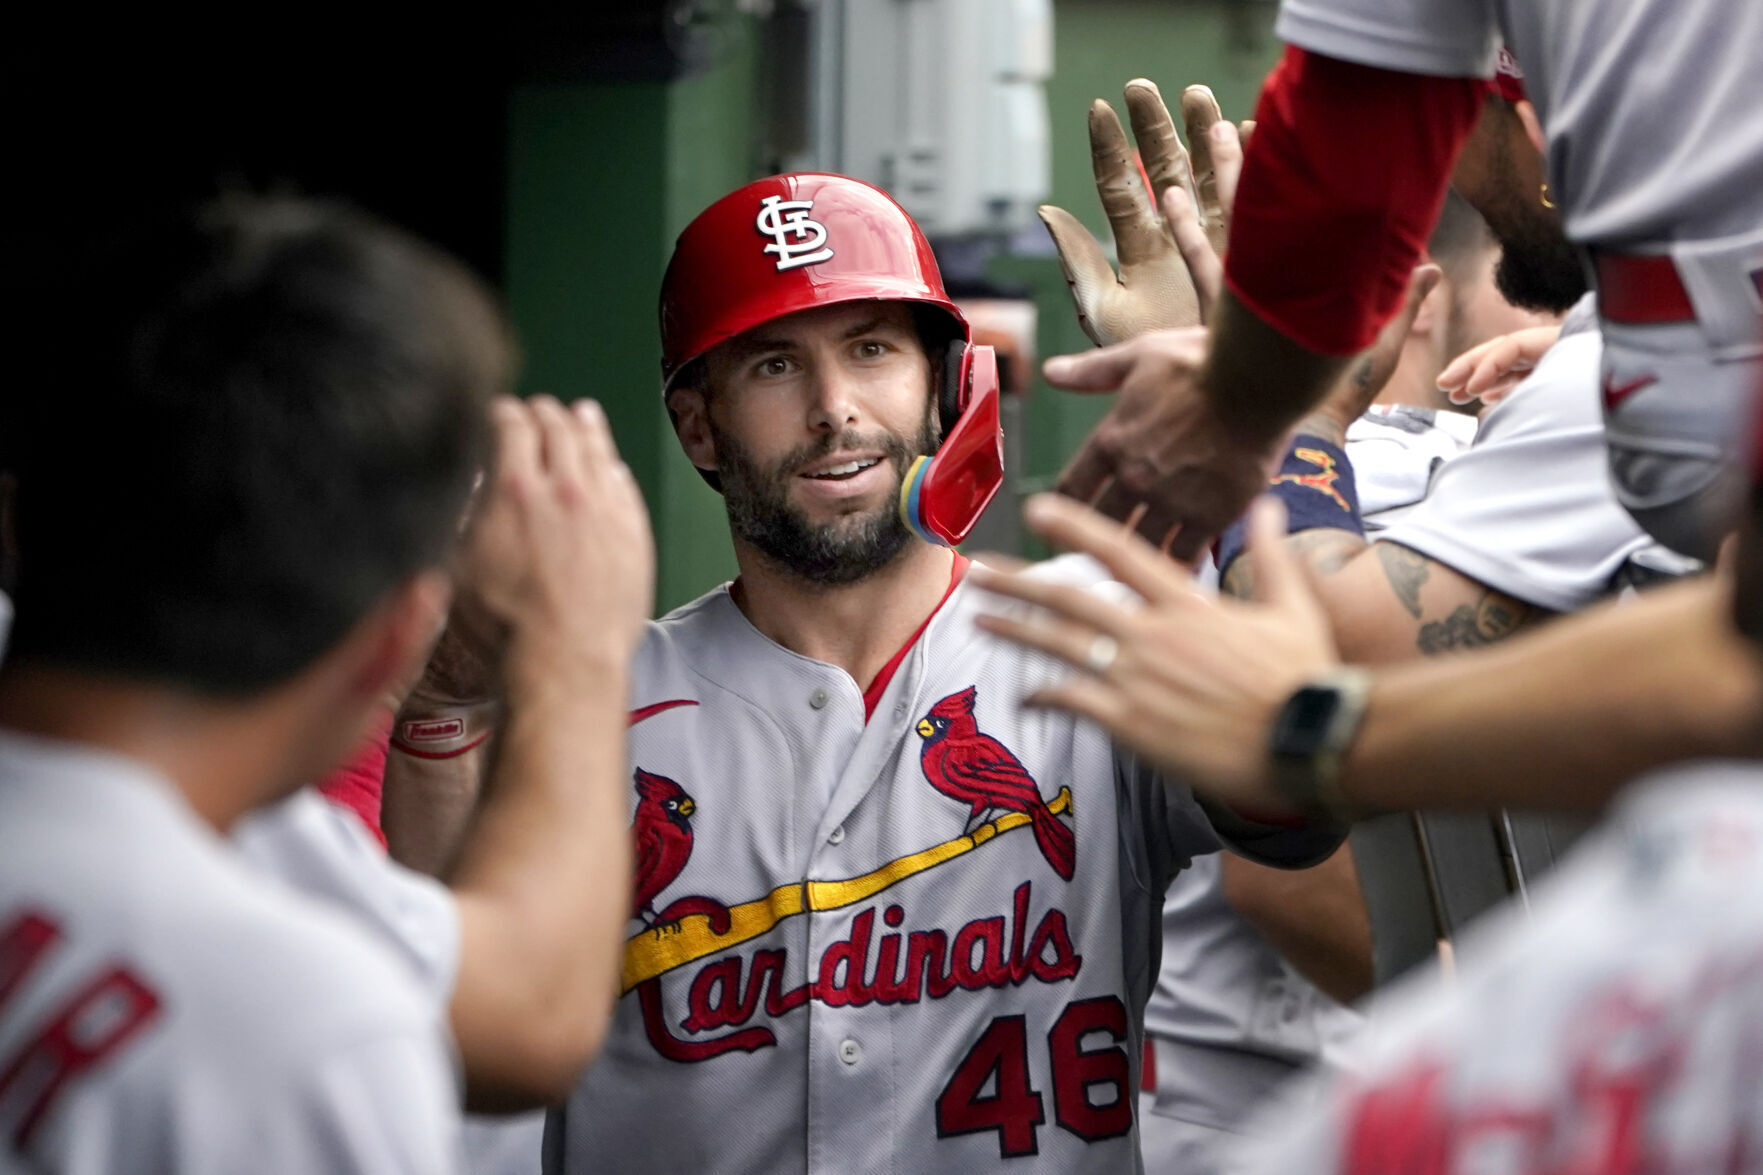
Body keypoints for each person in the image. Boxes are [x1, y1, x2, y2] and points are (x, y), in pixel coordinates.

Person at [372, 171, 1343, 1175]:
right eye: (773, 366)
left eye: (871, 348)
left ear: (944, 384)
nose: (834, 409)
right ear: (698, 427)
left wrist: (1257, 417)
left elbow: (1294, 795)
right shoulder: (597, 701)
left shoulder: (1090, 639)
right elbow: (447, 1011)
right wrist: (441, 710)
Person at [0, 195, 497, 1173]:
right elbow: (527, 1013)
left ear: (18, 523)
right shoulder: (304, 1022)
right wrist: (579, 644)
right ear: (395, 636)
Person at [1052, 5, 1763, 568]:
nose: (1463, 183)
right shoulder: (1598, 371)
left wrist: (1262, 411)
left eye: (1462, 141)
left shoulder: (1592, 389)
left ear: (1534, 129)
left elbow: (1331, 673)